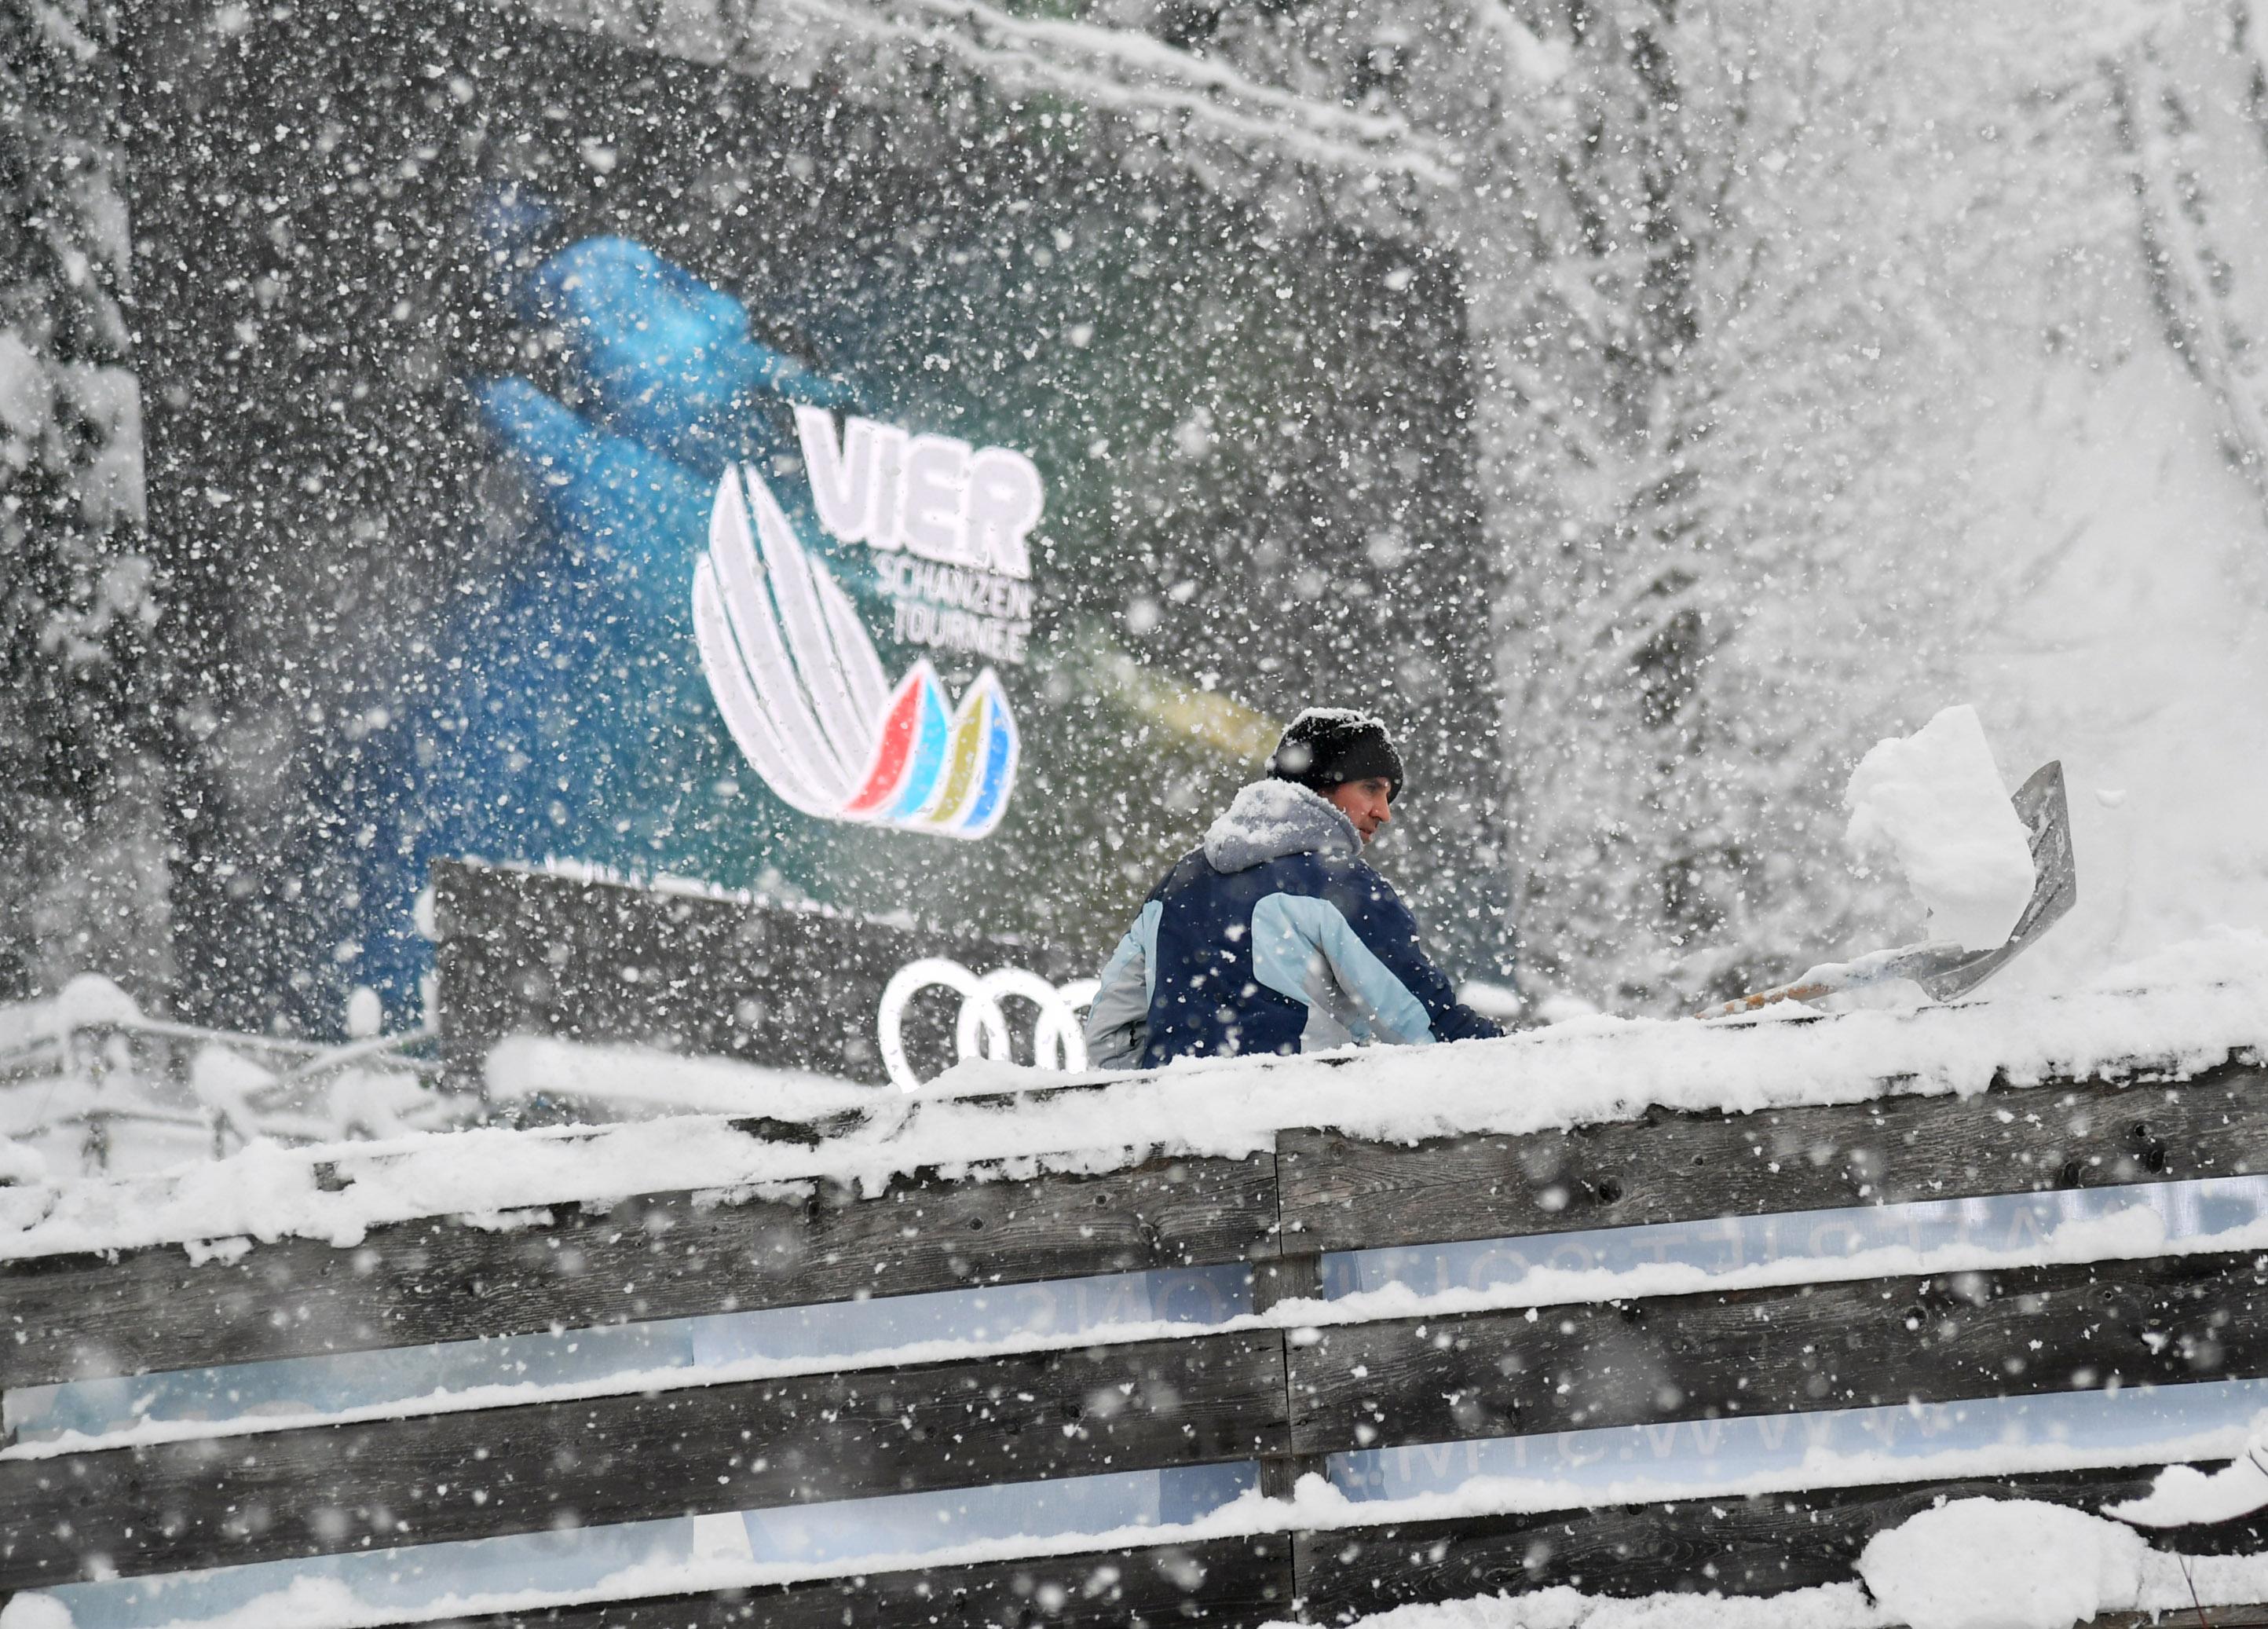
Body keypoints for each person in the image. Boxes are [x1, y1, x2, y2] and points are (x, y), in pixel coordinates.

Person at [1084, 708, 1505, 1068]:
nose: (1384, 813)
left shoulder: (1178, 883)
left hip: (1175, 1139)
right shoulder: (1339, 885)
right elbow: (1426, 1027)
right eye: (1371, 788)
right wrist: (1520, 1059)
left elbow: (1108, 1035)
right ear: (1322, 783)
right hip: (1297, 1139)